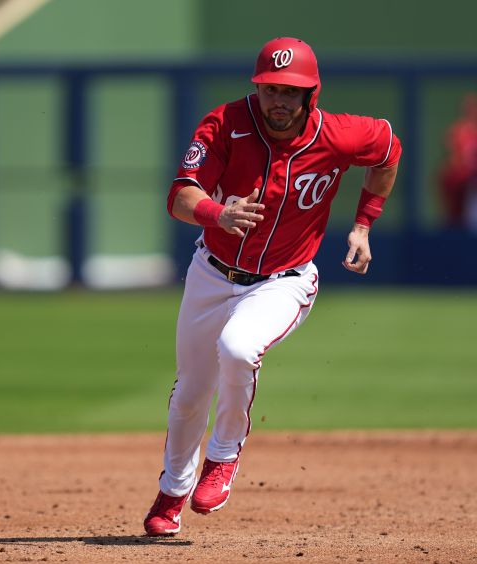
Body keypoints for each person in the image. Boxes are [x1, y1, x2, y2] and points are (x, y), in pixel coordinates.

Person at [143, 37, 401, 537]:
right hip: (212, 272)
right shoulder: (225, 124)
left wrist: (365, 223)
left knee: (238, 348)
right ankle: (172, 491)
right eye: (269, 89)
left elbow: (389, 150)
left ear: (311, 93)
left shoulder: (339, 135)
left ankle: (223, 455)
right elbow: (179, 195)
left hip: (284, 280)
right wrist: (219, 212)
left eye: (290, 90)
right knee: (189, 395)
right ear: (256, 88)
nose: (278, 100)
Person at [437, 93, 477, 230]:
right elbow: (451, 159)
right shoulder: (458, 131)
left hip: (472, 184)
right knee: (456, 220)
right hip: (462, 183)